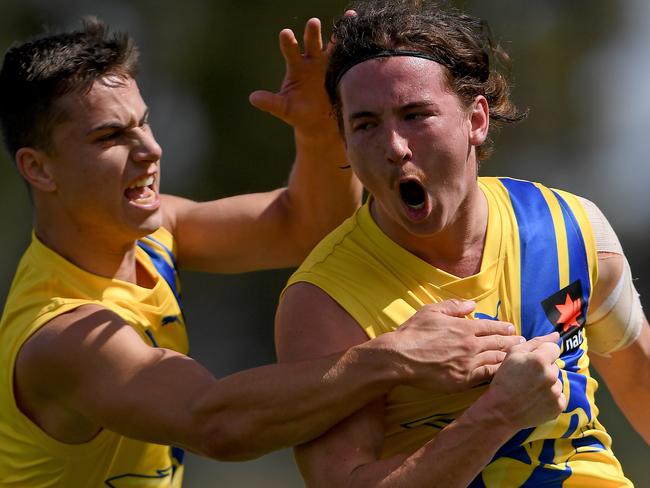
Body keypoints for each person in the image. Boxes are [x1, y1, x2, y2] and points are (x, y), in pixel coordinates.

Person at [0, 15, 531, 488]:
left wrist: (319, 135)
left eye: (144, 122)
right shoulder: (61, 335)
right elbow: (218, 425)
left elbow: (305, 228)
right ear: (38, 168)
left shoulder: (150, 229)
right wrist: (395, 357)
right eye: (110, 136)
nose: (151, 149)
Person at [275, 1, 650, 487]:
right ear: (344, 141)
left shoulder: (570, 228)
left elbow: (640, 381)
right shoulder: (324, 300)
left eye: (415, 115)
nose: (393, 147)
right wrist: (496, 416)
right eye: (365, 124)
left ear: (476, 119)